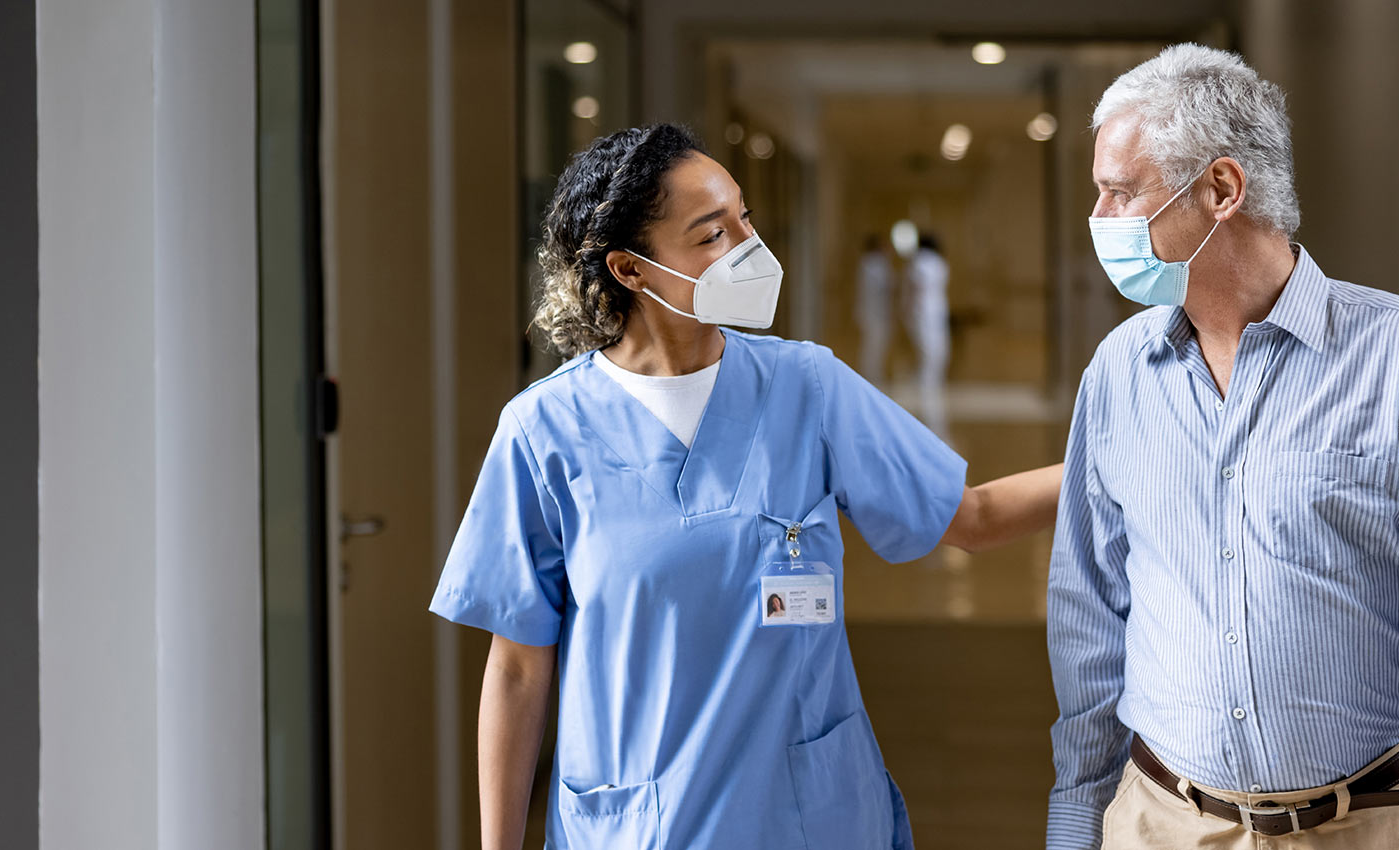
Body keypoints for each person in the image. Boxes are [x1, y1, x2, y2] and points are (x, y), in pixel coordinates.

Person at [429, 124, 1064, 850]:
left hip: (807, 815)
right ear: (630, 271)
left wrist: (1126, 455)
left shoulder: (806, 386)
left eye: (743, 219)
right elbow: (515, 666)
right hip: (640, 824)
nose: (747, 248)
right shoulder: (544, 430)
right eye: (710, 236)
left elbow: (973, 517)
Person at [1047, 45, 1399, 850]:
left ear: (1219, 189)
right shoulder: (1117, 374)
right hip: (1159, 822)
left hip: (1371, 823)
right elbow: (1089, 620)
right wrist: (1075, 820)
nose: (1100, 221)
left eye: (1118, 192)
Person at [907, 234, 950, 439]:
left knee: (930, 351)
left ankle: (929, 385)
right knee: (934, 350)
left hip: (926, 311)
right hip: (930, 311)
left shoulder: (920, 262)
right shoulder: (932, 263)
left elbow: (915, 289)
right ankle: (928, 387)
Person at [856, 233, 896, 382]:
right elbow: (885, 286)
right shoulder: (872, 264)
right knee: (872, 345)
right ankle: (870, 375)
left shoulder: (876, 264)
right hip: (873, 312)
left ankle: (874, 373)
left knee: (877, 345)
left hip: (878, 311)